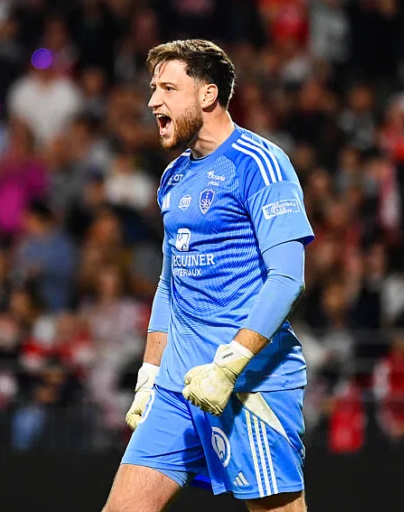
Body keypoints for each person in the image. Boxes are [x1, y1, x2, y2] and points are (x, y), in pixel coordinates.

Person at [102, 40, 314, 512]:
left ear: (207, 94)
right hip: (178, 387)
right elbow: (169, 284)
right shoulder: (173, 177)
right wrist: (150, 373)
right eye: (153, 88)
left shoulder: (259, 163)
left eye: (168, 88)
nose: (153, 101)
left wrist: (229, 366)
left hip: (249, 384)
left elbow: (287, 277)